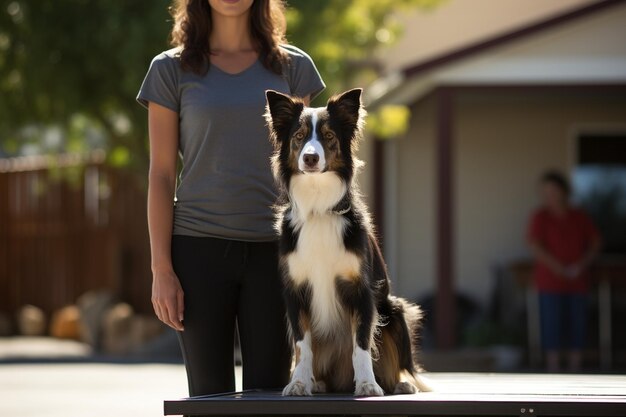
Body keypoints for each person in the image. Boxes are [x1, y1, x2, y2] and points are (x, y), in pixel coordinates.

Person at [136, 0, 325, 397]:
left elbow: (308, 171)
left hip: (277, 253)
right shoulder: (169, 69)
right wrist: (161, 269)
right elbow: (161, 174)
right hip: (197, 252)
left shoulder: (294, 67)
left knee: (272, 397)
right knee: (207, 397)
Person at [527, 170, 601, 372]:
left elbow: (595, 244)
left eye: (553, 191)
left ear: (564, 191)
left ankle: (575, 366)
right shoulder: (540, 216)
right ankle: (554, 367)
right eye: (545, 192)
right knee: (551, 323)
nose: (549, 195)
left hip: (578, 280)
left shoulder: (579, 216)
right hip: (550, 280)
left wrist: (581, 265)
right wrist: (557, 267)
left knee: (577, 322)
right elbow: (535, 246)